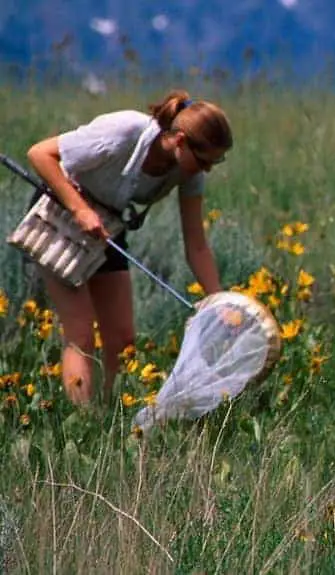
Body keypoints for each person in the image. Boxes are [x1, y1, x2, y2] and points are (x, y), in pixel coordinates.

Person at [25, 89, 231, 407]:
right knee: (80, 335)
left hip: (106, 224)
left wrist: (218, 301)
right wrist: (80, 209)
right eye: (205, 161)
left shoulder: (188, 170)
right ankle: (82, 426)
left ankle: (112, 423)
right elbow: (40, 153)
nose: (207, 170)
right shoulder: (124, 130)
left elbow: (197, 245)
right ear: (179, 141)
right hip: (60, 214)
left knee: (123, 341)